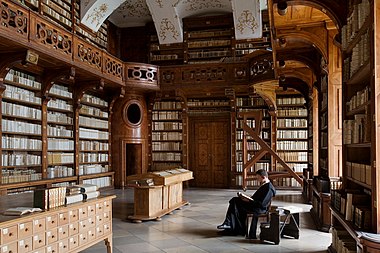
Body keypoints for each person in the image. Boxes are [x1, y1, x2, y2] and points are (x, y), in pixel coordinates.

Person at [217, 169, 276, 238]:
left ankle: (231, 226)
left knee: (235, 202)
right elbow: (257, 198)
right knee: (235, 201)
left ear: (263, 177)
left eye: (258, 178)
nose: (257, 180)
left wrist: (249, 200)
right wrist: (246, 199)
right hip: (254, 204)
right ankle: (231, 226)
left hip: (258, 208)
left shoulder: (269, 188)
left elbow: (262, 204)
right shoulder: (264, 185)